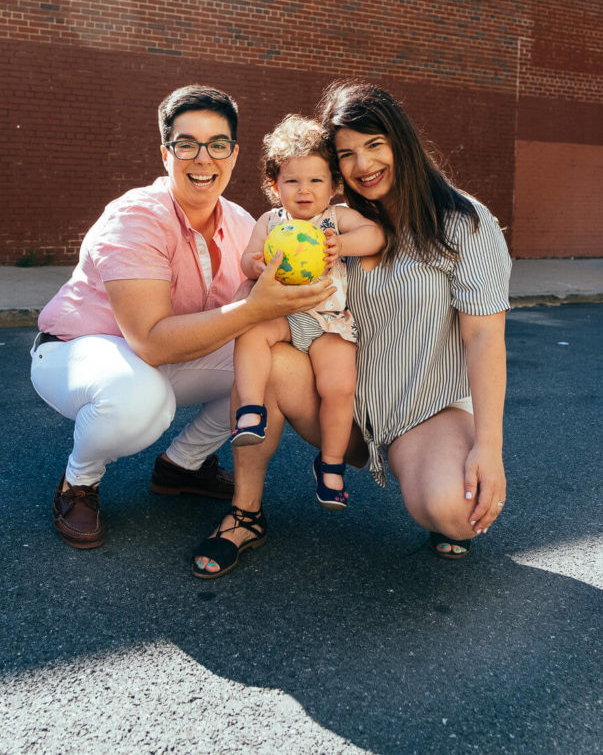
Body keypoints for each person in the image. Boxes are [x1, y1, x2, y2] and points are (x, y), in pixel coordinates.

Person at [192, 81, 511, 577]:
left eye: (375, 145)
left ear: (401, 142)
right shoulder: (320, 221)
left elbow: (484, 336)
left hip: (420, 408)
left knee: (457, 510)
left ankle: (436, 489)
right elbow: (262, 287)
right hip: (336, 396)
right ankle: (245, 513)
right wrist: (255, 292)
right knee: (264, 355)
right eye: (346, 154)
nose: (363, 165)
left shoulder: (463, 223)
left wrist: (487, 446)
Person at [30, 84, 335, 549]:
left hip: (159, 353)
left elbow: (251, 315)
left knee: (263, 362)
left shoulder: (239, 221)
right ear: (165, 153)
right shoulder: (135, 217)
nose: (203, 159)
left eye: (217, 145)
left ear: (233, 155)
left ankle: (182, 467)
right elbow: (151, 341)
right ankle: (78, 482)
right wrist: (257, 308)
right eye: (186, 144)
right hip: (79, 351)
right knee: (139, 400)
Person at [230, 115, 385, 512]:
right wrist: (257, 266)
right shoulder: (271, 221)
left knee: (339, 387)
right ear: (274, 185)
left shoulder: (335, 219)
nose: (304, 191)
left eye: (316, 181)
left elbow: (377, 235)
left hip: (328, 323)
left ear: (334, 186)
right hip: (283, 312)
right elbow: (247, 259)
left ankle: (330, 465)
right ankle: (250, 410)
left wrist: (342, 246)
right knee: (250, 332)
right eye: (292, 181)